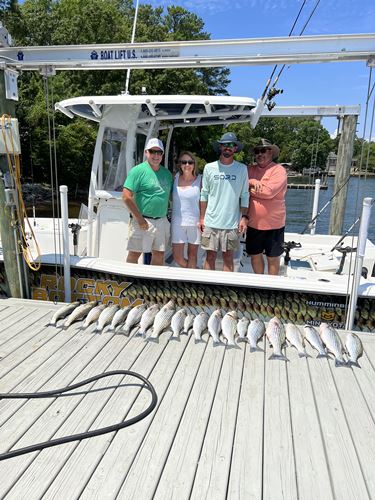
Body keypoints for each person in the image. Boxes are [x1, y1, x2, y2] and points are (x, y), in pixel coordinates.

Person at [200, 132, 249, 272]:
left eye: (231, 145)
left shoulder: (242, 169)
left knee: (229, 258)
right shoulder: (209, 167)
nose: (228, 147)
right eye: (225, 145)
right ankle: (208, 289)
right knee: (210, 257)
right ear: (220, 147)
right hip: (210, 222)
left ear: (235, 149)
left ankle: (225, 291)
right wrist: (202, 218)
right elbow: (204, 194)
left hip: (232, 224)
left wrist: (244, 218)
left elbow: (245, 195)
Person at [122, 138, 173, 266]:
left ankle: (152, 284)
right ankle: (129, 281)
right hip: (142, 220)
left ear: (162, 154)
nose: (156, 155)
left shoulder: (167, 174)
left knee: (159, 254)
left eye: (159, 152)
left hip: (162, 220)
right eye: (152, 151)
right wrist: (139, 219)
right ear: (146, 152)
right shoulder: (137, 171)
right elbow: (126, 197)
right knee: (134, 254)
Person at [246, 138, 287, 275]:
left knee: (273, 258)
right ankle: (259, 284)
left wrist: (249, 189)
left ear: (270, 152)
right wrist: (252, 181)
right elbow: (240, 186)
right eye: (257, 151)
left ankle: (271, 287)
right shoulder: (249, 170)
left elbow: (269, 192)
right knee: (255, 255)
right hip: (253, 224)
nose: (260, 154)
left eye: (263, 150)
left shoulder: (279, 170)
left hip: (274, 225)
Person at [171, 151, 201, 268]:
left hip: (195, 222)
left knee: (192, 255)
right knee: (177, 258)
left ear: (194, 164)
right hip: (177, 222)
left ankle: (191, 283)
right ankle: (196, 272)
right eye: (184, 162)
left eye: (190, 162)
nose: (187, 165)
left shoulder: (201, 180)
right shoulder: (175, 177)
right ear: (180, 164)